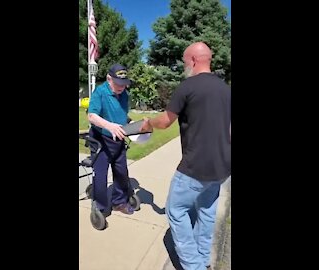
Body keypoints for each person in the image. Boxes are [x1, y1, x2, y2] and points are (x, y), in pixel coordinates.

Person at [140, 42, 231, 270]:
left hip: (195, 167)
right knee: (206, 211)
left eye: (183, 61)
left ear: (192, 60)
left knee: (176, 210)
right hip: (221, 167)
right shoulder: (225, 89)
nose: (183, 66)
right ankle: (203, 260)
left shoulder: (188, 86)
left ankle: (193, 266)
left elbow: (165, 120)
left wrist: (147, 123)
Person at [87, 63, 135, 215]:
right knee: (100, 175)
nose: (122, 87)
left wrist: (131, 124)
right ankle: (100, 207)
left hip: (118, 139)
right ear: (109, 79)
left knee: (121, 172)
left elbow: (121, 114)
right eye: (118, 83)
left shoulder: (124, 95)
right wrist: (109, 126)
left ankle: (119, 202)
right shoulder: (100, 92)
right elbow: (92, 116)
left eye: (124, 84)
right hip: (101, 139)